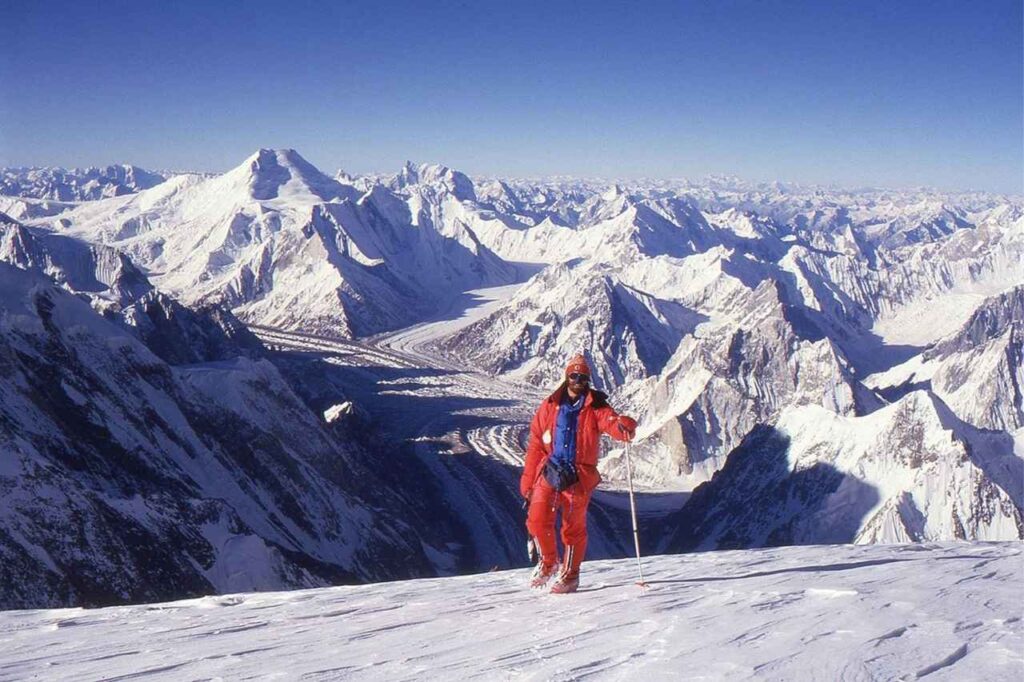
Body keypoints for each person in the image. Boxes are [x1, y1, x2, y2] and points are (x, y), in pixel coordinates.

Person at [520, 354, 637, 594]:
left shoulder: (596, 407)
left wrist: (624, 427)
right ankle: (548, 562)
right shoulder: (550, 405)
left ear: (588, 380)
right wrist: (528, 481)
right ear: (566, 377)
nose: (578, 381)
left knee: (573, 528)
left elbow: (611, 423)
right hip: (551, 469)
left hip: (578, 476)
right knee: (536, 518)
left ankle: (570, 575)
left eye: (583, 377)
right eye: (574, 376)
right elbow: (536, 444)